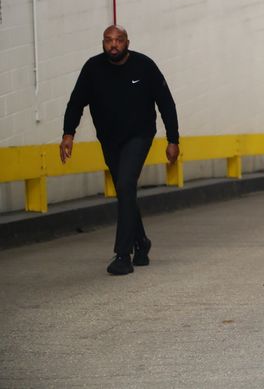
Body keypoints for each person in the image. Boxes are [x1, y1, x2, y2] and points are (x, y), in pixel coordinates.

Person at [60, 25, 180, 276]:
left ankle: (123, 255)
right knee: (125, 190)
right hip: (110, 140)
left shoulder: (144, 66)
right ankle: (141, 242)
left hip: (139, 135)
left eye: (119, 40)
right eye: (108, 41)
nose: (113, 45)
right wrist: (68, 134)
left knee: (125, 184)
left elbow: (165, 101)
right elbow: (76, 101)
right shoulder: (92, 68)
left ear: (127, 42)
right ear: (103, 43)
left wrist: (173, 139)